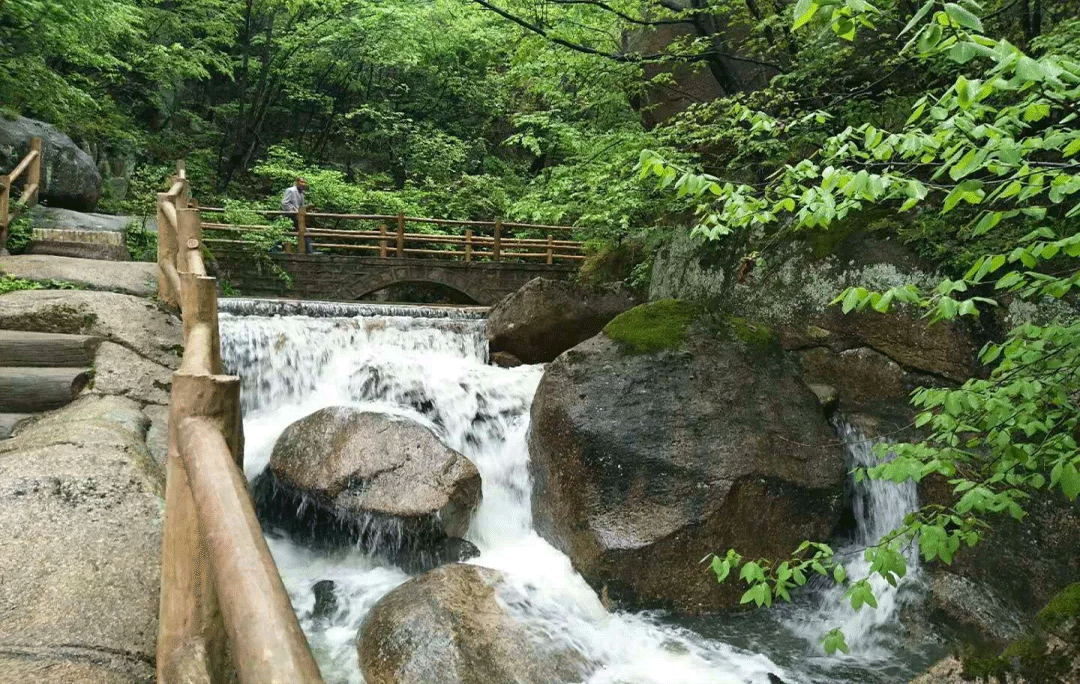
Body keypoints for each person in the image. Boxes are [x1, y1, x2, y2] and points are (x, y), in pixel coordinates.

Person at [280, 177, 314, 253]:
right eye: (301, 182)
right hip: (290, 216)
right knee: (287, 233)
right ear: (297, 182)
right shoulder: (291, 190)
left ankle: (309, 251)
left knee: (303, 232)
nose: (303, 184)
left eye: (304, 183)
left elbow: (301, 206)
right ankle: (274, 249)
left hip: (298, 217)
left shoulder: (301, 193)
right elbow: (285, 203)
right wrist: (294, 211)